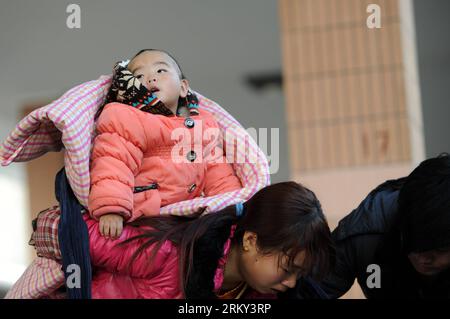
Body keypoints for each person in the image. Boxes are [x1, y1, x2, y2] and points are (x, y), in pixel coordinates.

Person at [32, 181, 334, 299]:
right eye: (288, 268)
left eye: (299, 274)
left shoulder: (260, 294)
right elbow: (59, 227)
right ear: (251, 241)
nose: (292, 283)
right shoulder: (169, 252)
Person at [89, 49, 242, 239]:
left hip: (189, 217)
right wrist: (112, 207)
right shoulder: (126, 117)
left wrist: (232, 206)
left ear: (183, 87)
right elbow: (114, 161)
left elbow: (216, 170)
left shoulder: (202, 123)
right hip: (146, 215)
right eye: (139, 75)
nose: (151, 78)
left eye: (161, 71)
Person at [285, 154, 450, 299]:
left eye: (438, 250)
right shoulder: (366, 231)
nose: (423, 258)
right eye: (414, 242)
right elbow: (310, 291)